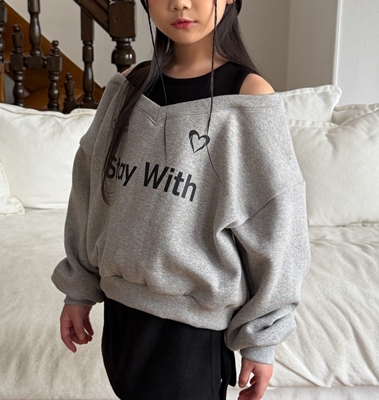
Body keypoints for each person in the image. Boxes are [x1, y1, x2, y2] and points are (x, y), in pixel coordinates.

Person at [51, 0, 311, 399]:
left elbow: (277, 226)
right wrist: (79, 288)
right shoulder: (128, 86)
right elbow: (90, 193)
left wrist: (261, 339)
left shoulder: (248, 98)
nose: (180, 3)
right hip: (121, 314)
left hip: (192, 333)